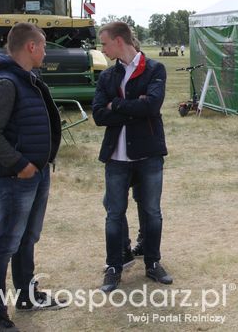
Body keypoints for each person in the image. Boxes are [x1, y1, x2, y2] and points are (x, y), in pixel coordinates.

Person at [0, 23, 65, 331]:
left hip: (36, 174)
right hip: (17, 178)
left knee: (27, 238)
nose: (44, 52)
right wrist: (19, 164)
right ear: (30, 47)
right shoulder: (5, 82)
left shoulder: (28, 78)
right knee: (5, 244)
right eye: (42, 47)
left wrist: (39, 164)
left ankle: (27, 296)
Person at [92, 22, 172, 293]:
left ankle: (153, 262)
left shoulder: (154, 69)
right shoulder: (107, 76)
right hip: (116, 157)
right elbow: (99, 115)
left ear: (118, 41)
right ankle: (114, 266)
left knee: (152, 212)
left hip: (148, 154)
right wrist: (132, 107)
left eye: (104, 43)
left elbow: (152, 105)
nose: (101, 48)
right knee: (114, 213)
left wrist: (118, 105)